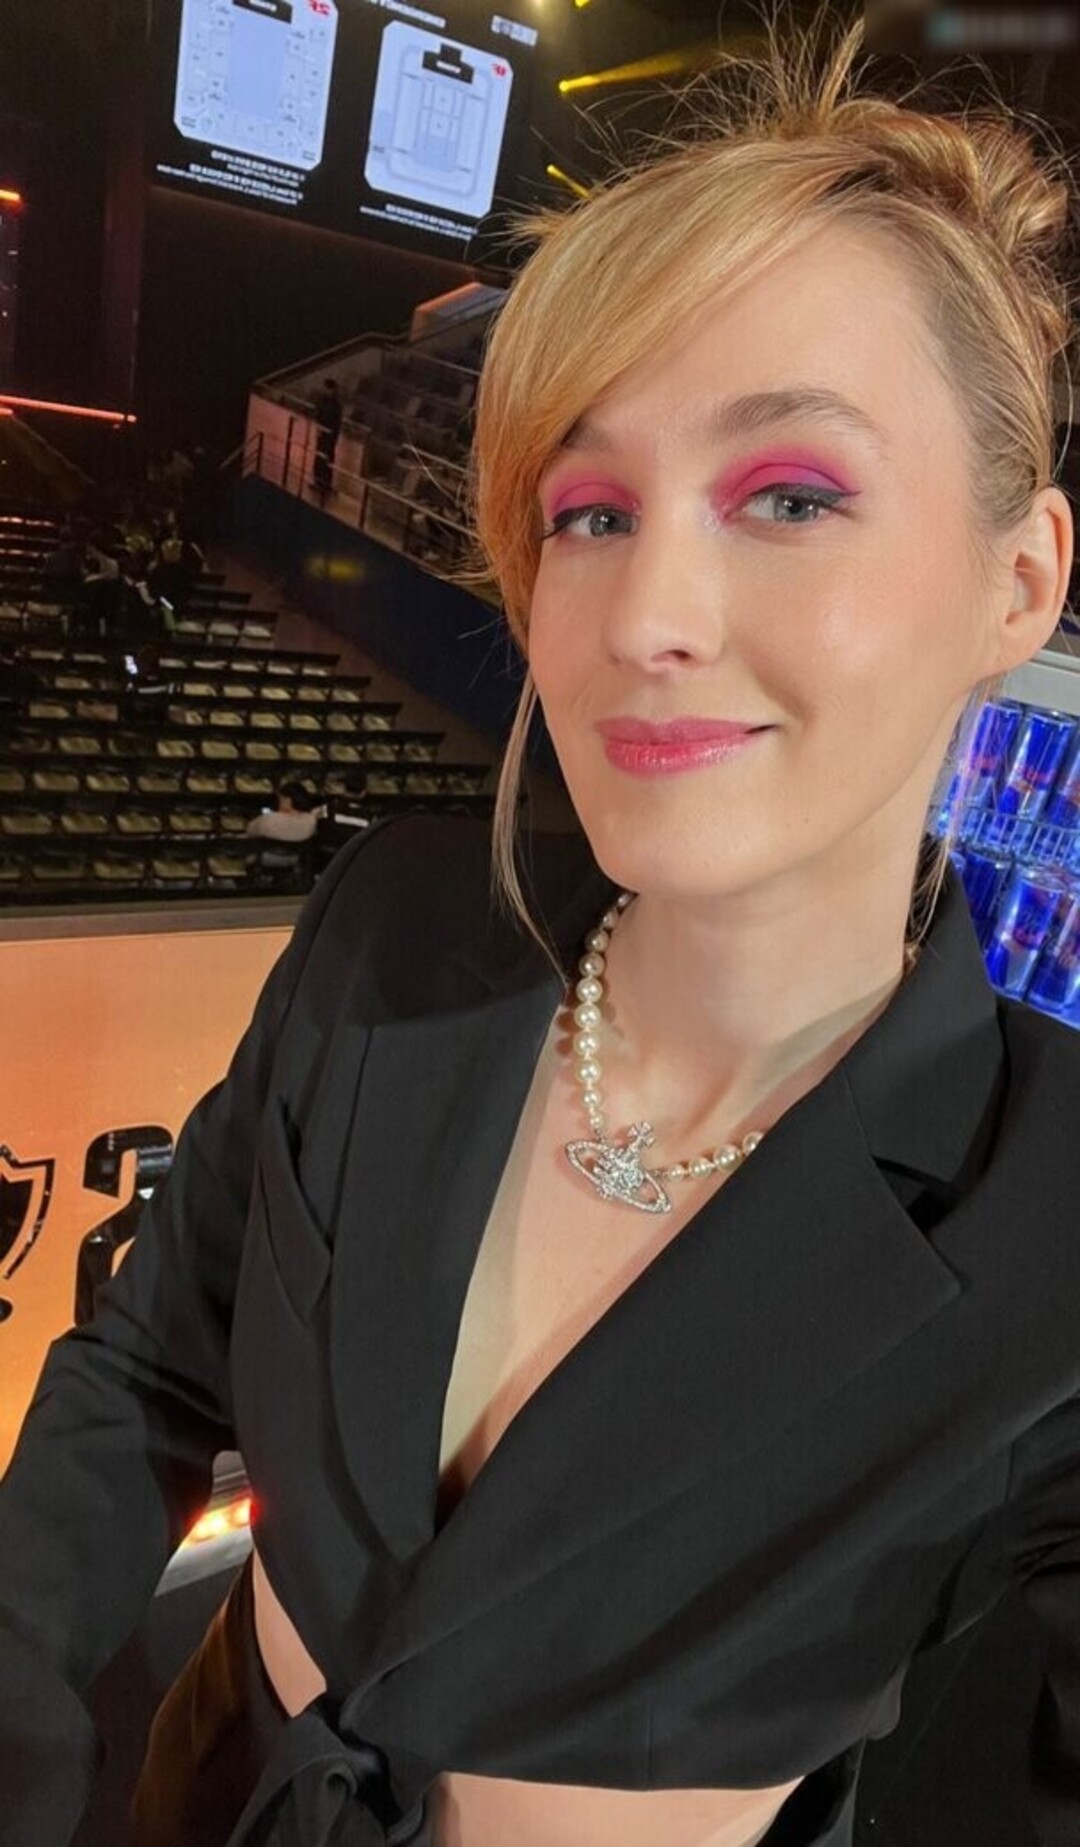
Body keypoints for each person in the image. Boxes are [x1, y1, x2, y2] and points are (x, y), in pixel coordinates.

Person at [2, 13, 1080, 1847]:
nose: (646, 613)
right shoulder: (389, 927)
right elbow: (148, 1364)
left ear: (1020, 579)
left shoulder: (1052, 1215)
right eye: (589, 510)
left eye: (791, 494)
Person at [245, 782, 321, 844]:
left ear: (287, 800)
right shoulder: (311, 821)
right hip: (296, 858)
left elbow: (249, 831)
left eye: (280, 799)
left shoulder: (268, 820)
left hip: (268, 857)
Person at [311, 376, 343, 497]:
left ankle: (326, 485)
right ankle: (317, 481)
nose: (324, 390)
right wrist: (318, 425)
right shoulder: (322, 399)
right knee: (319, 457)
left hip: (330, 436)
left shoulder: (336, 404)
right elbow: (318, 412)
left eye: (327, 388)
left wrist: (333, 437)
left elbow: (336, 422)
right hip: (321, 433)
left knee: (327, 460)